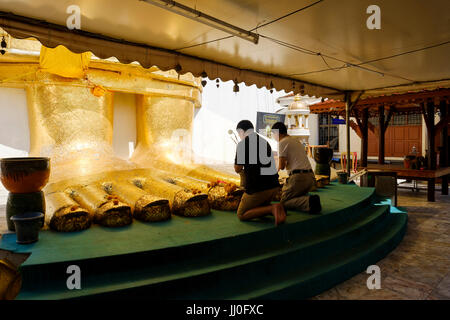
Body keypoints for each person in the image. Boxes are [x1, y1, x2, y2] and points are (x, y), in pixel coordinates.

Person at [234, 120, 286, 225]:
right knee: (257, 207)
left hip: (258, 189)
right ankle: (276, 208)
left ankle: (272, 208)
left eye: (239, 133)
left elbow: (237, 168)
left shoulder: (243, 144)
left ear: (241, 131)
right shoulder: (264, 141)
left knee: (241, 214)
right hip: (274, 186)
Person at [271, 122, 322, 214]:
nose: (274, 138)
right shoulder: (296, 141)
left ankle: (309, 202)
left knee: (284, 202)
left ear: (277, 133)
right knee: (294, 194)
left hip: (299, 178)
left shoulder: (282, 142)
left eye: (273, 134)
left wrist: (274, 172)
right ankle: (307, 199)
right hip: (310, 177)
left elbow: (281, 166)